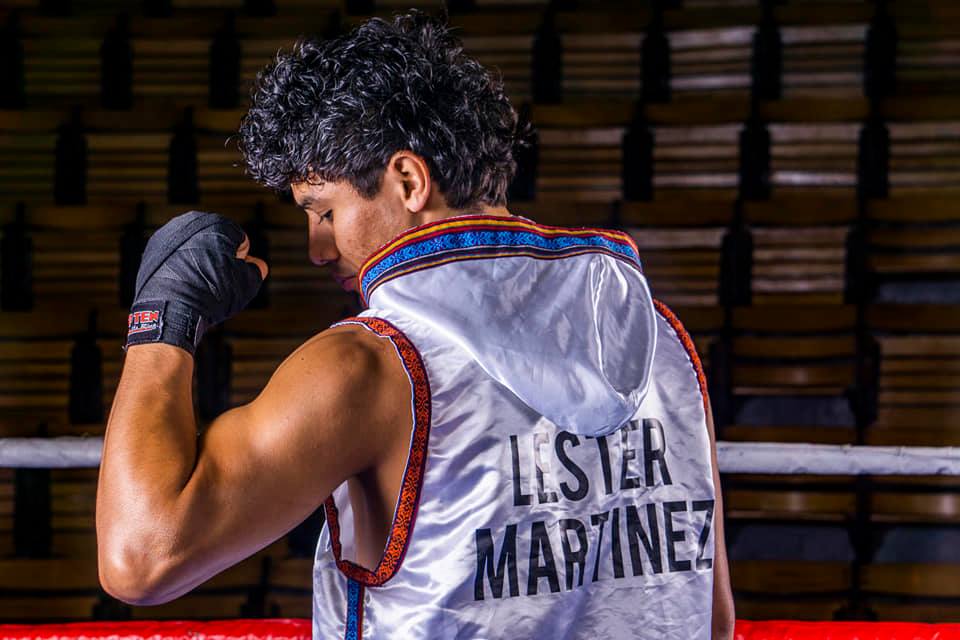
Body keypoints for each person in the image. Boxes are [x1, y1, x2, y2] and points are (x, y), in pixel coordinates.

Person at [96, 10, 734, 639]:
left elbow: (142, 558)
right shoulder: (657, 338)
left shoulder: (367, 366)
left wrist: (162, 323)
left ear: (406, 179)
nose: (319, 249)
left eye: (323, 210)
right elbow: (711, 616)